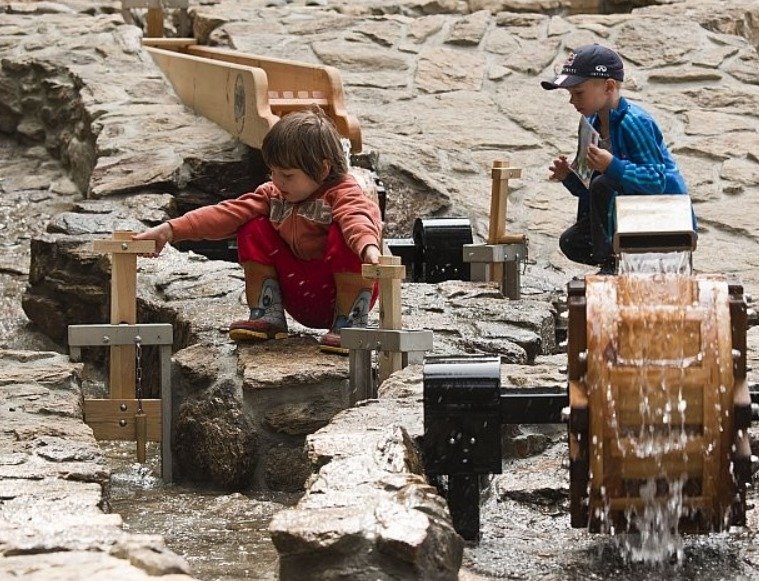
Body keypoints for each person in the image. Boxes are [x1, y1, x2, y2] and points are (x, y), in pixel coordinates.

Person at [133, 109, 382, 354]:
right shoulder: (272, 195)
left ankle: (350, 323)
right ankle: (268, 314)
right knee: (252, 226)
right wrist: (170, 230)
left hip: (340, 293)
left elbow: (357, 218)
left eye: (287, 175)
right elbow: (227, 214)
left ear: (323, 169)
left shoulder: (343, 192)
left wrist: (368, 248)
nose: (278, 181)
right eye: (273, 172)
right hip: (301, 296)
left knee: (345, 235)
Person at [541, 44, 690, 274]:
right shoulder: (590, 124)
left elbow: (656, 180)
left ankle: (613, 263)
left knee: (603, 183)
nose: (572, 101)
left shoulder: (635, 122)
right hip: (622, 214)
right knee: (572, 242)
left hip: (661, 214)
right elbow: (590, 190)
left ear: (608, 86)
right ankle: (616, 262)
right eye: (570, 94)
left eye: (578, 93)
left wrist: (613, 166)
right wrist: (569, 178)